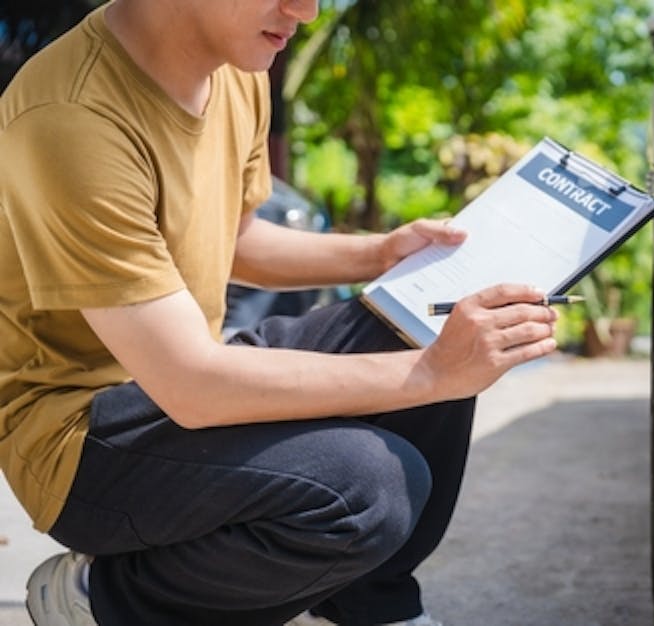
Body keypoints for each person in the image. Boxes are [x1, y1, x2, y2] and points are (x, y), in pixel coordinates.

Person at [0, 0, 559, 624]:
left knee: (417, 318)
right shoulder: (73, 116)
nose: (308, 11)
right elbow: (191, 385)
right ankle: (108, 599)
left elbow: (237, 239)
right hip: (84, 441)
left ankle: (370, 604)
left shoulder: (235, 65)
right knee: (365, 485)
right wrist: (434, 373)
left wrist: (381, 253)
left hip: (181, 380)